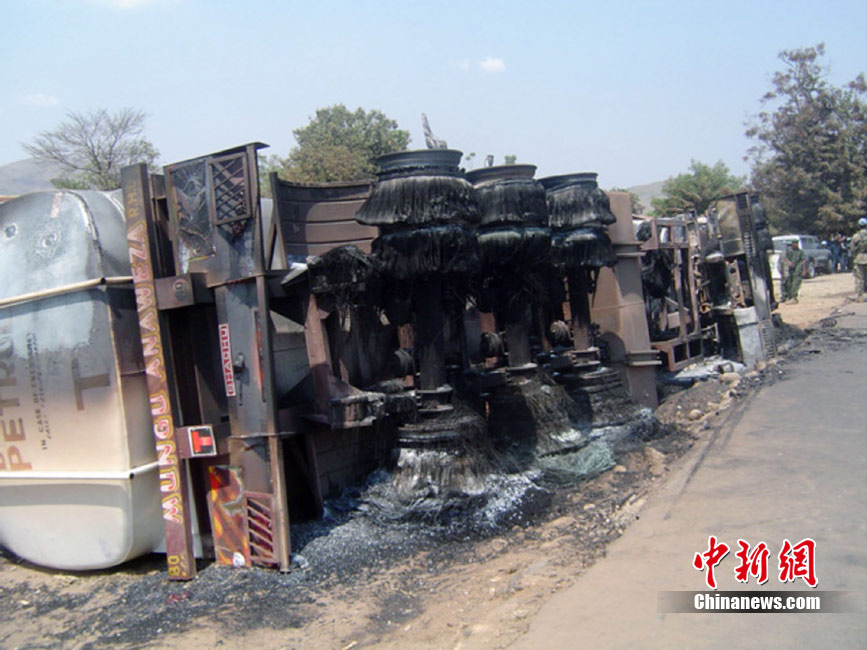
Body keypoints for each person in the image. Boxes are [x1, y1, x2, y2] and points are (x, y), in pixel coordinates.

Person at [851, 217, 867, 302]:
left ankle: (860, 297)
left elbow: (852, 249)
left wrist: (853, 257)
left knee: (859, 278)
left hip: (859, 258)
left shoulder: (856, 236)